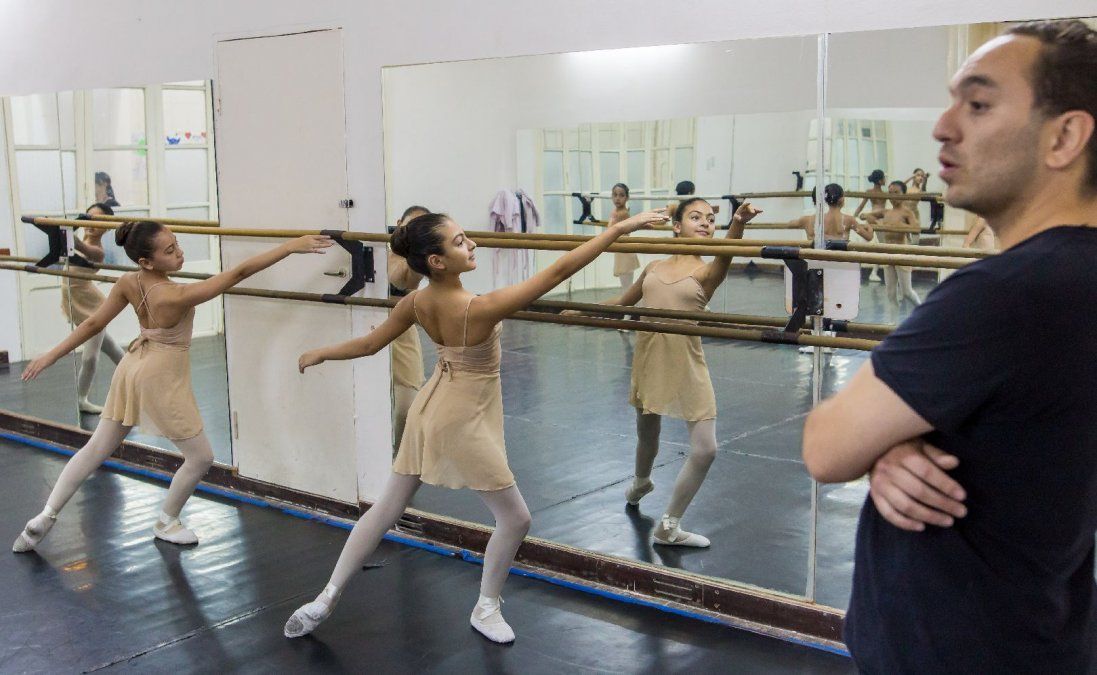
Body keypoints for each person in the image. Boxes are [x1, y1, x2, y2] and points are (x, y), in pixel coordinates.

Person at [802, 20, 1097, 672]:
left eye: (978, 104)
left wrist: (875, 439)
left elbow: (824, 447)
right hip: (1046, 637)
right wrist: (891, 441)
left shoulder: (1005, 295)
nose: (942, 126)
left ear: (1064, 137)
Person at [284, 208, 669, 644]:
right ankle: (486, 607)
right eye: (460, 241)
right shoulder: (478, 308)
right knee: (516, 519)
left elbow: (371, 344)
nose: (472, 245)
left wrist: (323, 352)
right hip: (461, 417)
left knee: (387, 508)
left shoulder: (416, 301)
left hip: (430, 406)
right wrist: (618, 229)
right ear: (436, 261)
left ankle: (326, 597)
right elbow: (560, 270)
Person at [14, 222, 332, 551]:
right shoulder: (175, 295)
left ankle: (46, 516)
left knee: (96, 448)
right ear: (146, 262)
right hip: (161, 374)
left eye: (176, 244)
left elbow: (94, 322)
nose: (179, 253)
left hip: (131, 366)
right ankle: (167, 521)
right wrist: (289, 247)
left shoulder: (128, 281)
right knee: (201, 458)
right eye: (169, 251)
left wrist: (51, 355)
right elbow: (238, 273)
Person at [573, 198, 760, 546]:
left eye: (710, 219)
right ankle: (641, 481)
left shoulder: (707, 271)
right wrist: (576, 311)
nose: (705, 223)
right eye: (695, 217)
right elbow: (622, 304)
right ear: (676, 226)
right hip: (648, 358)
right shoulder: (654, 267)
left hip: (686, 362)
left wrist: (738, 222)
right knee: (647, 434)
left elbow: (727, 253)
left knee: (705, 449)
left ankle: (669, 525)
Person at [64, 203, 127, 413]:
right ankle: (140, 378)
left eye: (97, 221)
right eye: (88, 219)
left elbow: (78, 246)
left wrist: (66, 228)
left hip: (93, 308)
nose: (90, 225)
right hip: (77, 304)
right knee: (111, 348)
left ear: (106, 227)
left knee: (90, 357)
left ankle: (82, 400)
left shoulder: (96, 251)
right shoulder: (80, 241)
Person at [387, 205, 431, 450]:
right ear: (398, 223)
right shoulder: (381, 248)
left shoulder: (418, 259)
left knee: (407, 406)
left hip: (401, 329)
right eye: (409, 226)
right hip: (370, 324)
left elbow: (406, 281)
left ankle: (400, 458)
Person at [860, 181, 922, 314]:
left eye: (896, 193)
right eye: (890, 193)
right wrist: (870, 219)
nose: (893, 196)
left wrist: (902, 226)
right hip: (888, 254)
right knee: (890, 293)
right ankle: (893, 322)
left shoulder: (907, 213)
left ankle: (923, 311)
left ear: (904, 194)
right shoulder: (886, 212)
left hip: (902, 253)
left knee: (906, 292)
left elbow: (916, 229)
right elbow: (867, 215)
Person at [790, 183, 874, 242]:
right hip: (840, 259)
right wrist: (870, 228)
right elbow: (869, 237)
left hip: (818, 259)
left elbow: (791, 224)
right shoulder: (849, 220)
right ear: (842, 199)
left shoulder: (814, 219)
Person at [853, 169, 887, 282]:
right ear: (880, 180)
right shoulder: (878, 193)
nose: (885, 180)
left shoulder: (884, 193)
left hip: (876, 219)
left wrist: (854, 217)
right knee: (879, 247)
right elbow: (861, 206)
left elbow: (861, 207)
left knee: (880, 247)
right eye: (884, 178)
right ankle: (868, 272)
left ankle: (873, 273)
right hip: (875, 219)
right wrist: (853, 218)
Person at [608, 183, 641, 292]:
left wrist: (613, 217)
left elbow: (610, 231)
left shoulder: (621, 213)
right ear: (611, 196)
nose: (617, 198)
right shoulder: (617, 212)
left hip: (624, 252)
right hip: (622, 250)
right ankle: (629, 301)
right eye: (615, 195)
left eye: (621, 195)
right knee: (626, 286)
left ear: (627, 198)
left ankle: (630, 302)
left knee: (627, 287)